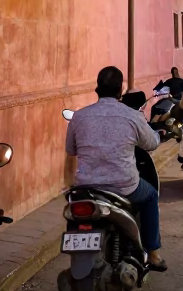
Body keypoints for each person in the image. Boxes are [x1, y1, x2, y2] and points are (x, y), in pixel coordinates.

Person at [65, 65, 166, 270]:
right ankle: (153, 253)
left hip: (87, 188)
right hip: (124, 188)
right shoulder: (131, 115)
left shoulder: (79, 116)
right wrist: (159, 134)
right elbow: (152, 143)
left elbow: (71, 149)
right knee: (150, 196)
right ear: (120, 90)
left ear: (97, 88)